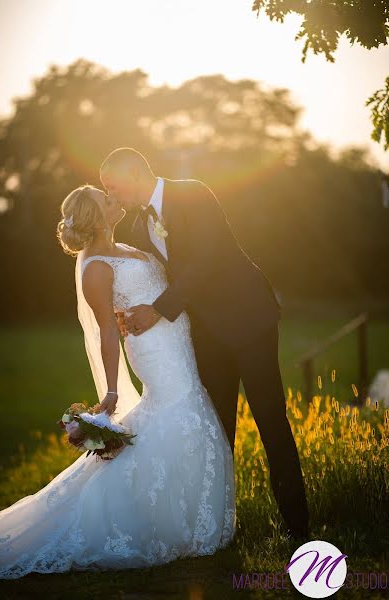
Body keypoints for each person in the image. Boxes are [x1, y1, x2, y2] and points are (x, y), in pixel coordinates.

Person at [0, 185, 236, 579]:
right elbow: (106, 330)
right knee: (178, 410)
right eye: (106, 199)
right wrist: (112, 391)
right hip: (155, 351)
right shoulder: (95, 267)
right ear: (96, 215)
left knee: (188, 407)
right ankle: (154, 520)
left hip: (177, 337)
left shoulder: (130, 246)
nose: (114, 198)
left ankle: (187, 515)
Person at [100, 147, 310, 540]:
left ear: (134, 172)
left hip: (249, 319)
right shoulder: (136, 229)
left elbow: (207, 258)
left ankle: (297, 526)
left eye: (112, 187)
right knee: (217, 430)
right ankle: (220, 527)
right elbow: (154, 277)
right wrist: (125, 307)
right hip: (206, 334)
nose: (112, 197)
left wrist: (159, 309)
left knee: (270, 419)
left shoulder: (192, 192)